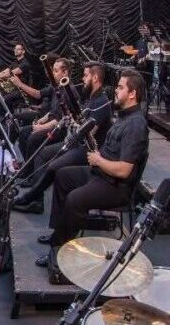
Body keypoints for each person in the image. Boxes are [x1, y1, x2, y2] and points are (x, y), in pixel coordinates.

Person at [36, 70, 148, 276]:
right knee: (63, 175)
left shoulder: (136, 125)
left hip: (116, 186)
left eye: (121, 87)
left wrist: (99, 160)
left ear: (132, 94)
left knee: (75, 199)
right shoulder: (123, 118)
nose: (116, 90)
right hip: (102, 174)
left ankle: (60, 252)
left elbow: (124, 170)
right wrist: (97, 153)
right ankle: (58, 234)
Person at [14, 62, 112, 215]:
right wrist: (71, 119)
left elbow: (89, 133)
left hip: (88, 150)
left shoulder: (101, 102)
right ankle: (34, 198)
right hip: (78, 144)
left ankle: (32, 198)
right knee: (43, 153)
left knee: (54, 166)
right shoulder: (90, 98)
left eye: (85, 75)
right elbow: (78, 122)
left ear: (95, 77)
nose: (82, 78)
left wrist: (72, 123)